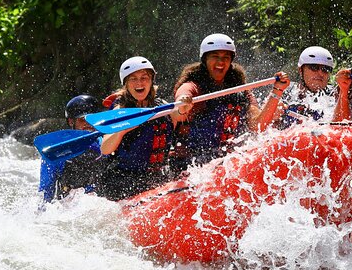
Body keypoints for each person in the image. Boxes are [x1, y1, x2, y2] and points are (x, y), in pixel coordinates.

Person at [170, 33, 290, 171]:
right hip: (191, 163)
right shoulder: (194, 85)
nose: (221, 62)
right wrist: (182, 104)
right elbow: (180, 101)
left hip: (225, 163)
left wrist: (277, 91)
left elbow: (258, 125)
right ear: (205, 60)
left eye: (225, 57)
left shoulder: (240, 89)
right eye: (215, 56)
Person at [97, 56, 192, 201]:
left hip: (156, 178)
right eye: (133, 79)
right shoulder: (120, 110)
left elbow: (178, 115)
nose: (139, 83)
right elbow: (105, 148)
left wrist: (184, 106)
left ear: (151, 80)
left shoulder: (161, 105)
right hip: (124, 183)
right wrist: (122, 129)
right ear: (126, 84)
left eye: (144, 77)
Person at [38, 94, 105, 202]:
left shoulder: (107, 145)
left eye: (92, 119)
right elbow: (46, 193)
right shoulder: (58, 152)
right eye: (82, 119)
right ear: (71, 122)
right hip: (68, 209)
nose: (89, 124)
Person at [274, 46, 337, 128]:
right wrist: (274, 116)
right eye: (314, 67)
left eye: (326, 69)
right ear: (301, 70)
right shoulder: (283, 91)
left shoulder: (335, 94)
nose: (320, 73)